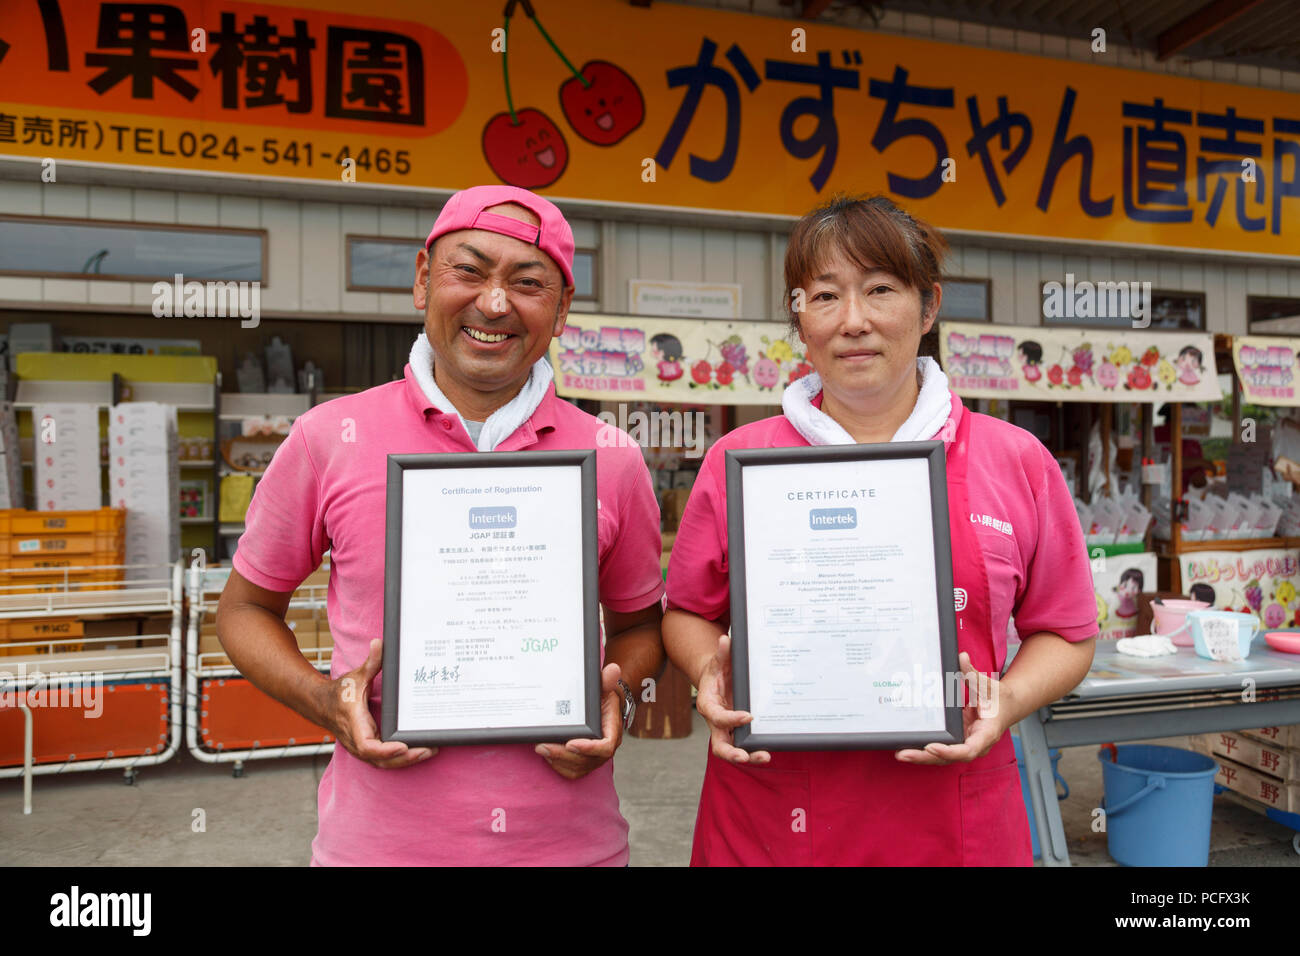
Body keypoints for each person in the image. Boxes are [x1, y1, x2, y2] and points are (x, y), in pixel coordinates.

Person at [216, 185, 665, 866]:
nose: (494, 303)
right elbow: (245, 609)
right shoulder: (328, 438)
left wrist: (619, 698)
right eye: (470, 270)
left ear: (562, 308)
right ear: (423, 279)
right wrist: (324, 701)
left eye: (528, 282)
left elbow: (639, 628)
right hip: (377, 851)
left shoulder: (612, 457)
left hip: (573, 851)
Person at [663, 195, 1098, 866]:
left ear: (927, 308)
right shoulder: (738, 463)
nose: (854, 321)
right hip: (773, 814)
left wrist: (1007, 700)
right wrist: (705, 671)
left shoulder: (1015, 460)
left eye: (880, 290)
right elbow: (687, 609)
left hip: (952, 812)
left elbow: (1067, 633)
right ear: (799, 319)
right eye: (826, 296)